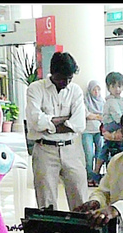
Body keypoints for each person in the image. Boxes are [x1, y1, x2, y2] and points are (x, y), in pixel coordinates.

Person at [25, 51, 88, 211]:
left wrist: (49, 122)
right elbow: (35, 121)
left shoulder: (75, 91)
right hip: (45, 150)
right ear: (53, 73)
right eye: (62, 78)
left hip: (72, 149)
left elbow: (79, 123)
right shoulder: (36, 89)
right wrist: (66, 120)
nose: (66, 82)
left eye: (70, 78)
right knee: (46, 202)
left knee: (80, 199)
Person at [92, 71, 123, 181]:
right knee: (107, 146)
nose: (117, 89)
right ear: (108, 87)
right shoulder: (111, 101)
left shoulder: (119, 100)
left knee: (107, 146)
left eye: (119, 86)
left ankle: (97, 171)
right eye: (114, 86)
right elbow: (118, 116)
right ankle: (96, 172)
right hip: (112, 125)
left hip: (115, 123)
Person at [82, 79, 104, 187]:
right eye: (94, 90)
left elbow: (105, 116)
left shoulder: (102, 101)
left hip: (99, 131)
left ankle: (97, 176)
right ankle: (89, 177)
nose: (96, 92)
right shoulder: (84, 100)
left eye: (98, 89)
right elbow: (87, 115)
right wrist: (98, 116)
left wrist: (94, 116)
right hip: (87, 131)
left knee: (100, 154)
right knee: (89, 154)